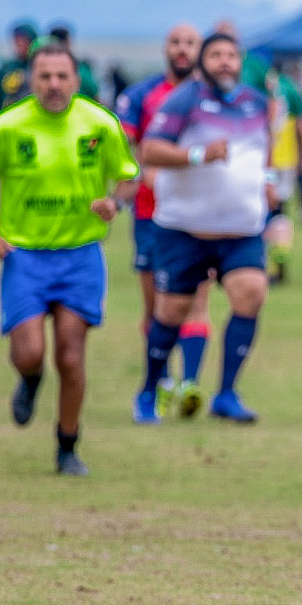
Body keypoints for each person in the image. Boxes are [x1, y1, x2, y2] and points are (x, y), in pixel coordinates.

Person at [0, 43, 139, 475]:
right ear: (32, 79)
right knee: (30, 353)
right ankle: (29, 378)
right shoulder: (10, 126)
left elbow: (128, 177)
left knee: (70, 354)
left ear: (76, 80)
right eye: (45, 76)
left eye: (62, 76)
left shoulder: (99, 123)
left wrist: (114, 204)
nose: (54, 85)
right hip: (24, 256)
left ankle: (67, 445)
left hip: (80, 255)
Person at [137, 32, 274, 425]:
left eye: (231, 55)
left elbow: (259, 151)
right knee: (171, 312)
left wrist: (267, 182)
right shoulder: (184, 99)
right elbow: (150, 150)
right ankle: (149, 390)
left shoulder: (256, 102)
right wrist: (199, 154)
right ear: (202, 60)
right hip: (184, 229)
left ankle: (227, 394)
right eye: (216, 55)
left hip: (241, 228)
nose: (224, 62)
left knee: (251, 293)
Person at [116, 23, 215, 418]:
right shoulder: (142, 95)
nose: (182, 49)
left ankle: (189, 383)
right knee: (157, 306)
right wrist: (144, 174)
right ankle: (161, 382)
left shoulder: (213, 99)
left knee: (198, 298)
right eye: (175, 42)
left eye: (190, 43)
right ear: (165, 48)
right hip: (150, 213)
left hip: (200, 214)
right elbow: (129, 148)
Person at [264, 59, 302, 283]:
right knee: (280, 208)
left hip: (263, 159)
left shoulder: (256, 87)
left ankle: (265, 260)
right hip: (286, 159)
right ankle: (280, 254)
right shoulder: (291, 88)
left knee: (263, 209)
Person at [46, 21, 101, 100]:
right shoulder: (82, 70)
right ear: (69, 42)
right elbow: (96, 97)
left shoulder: (82, 70)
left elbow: (95, 96)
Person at [0, 19, 38, 110]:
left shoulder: (37, 67)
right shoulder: (7, 68)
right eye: (16, 39)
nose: (19, 43)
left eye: (23, 40)